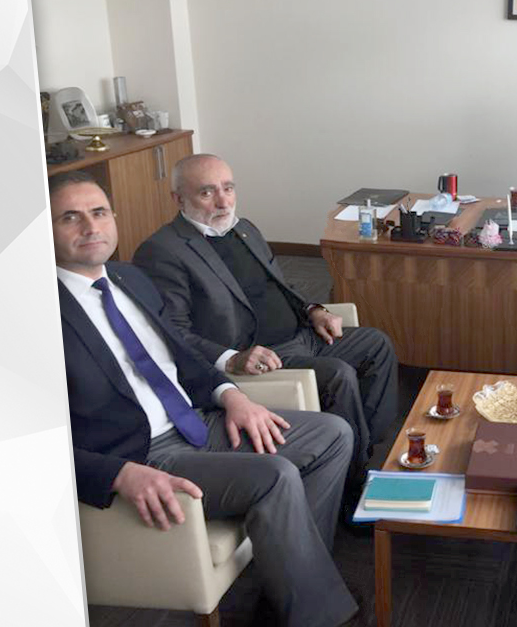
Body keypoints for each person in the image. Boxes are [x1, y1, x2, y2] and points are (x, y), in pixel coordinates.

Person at [50, 171, 358, 627]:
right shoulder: (36, 314)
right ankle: (318, 615)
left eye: (98, 213)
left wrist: (230, 395)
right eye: (70, 218)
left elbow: (183, 355)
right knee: (274, 476)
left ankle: (292, 581)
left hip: (196, 420)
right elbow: (22, 444)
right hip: (140, 454)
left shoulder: (130, 279)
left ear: (113, 218)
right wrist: (116, 473)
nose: (91, 227)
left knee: (332, 434)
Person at [133, 154, 399, 487]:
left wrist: (313, 310)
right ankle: (354, 483)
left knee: (376, 344)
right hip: (261, 352)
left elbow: (281, 286)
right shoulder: (162, 251)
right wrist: (232, 358)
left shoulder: (244, 229)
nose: (223, 201)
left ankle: (367, 450)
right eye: (207, 192)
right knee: (339, 375)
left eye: (228, 188)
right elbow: (173, 333)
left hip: (302, 333)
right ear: (178, 199)